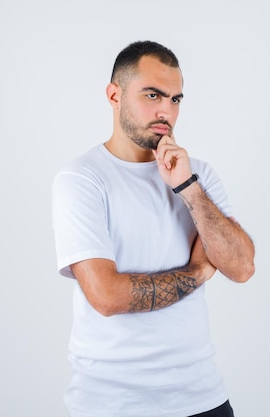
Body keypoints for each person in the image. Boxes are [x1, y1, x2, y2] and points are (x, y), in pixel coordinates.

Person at [52, 40, 255, 417]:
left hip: (203, 397)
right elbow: (107, 296)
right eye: (153, 95)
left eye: (176, 99)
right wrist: (197, 272)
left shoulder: (199, 175)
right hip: (112, 404)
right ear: (114, 95)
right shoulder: (81, 179)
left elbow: (241, 267)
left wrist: (188, 188)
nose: (167, 110)